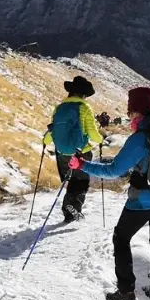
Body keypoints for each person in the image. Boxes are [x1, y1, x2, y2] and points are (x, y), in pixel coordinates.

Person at [67, 87, 150, 300]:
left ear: (135, 111)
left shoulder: (141, 137)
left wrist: (82, 165)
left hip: (142, 201)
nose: (129, 116)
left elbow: (114, 171)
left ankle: (126, 290)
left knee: (121, 238)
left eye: (130, 111)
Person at [43, 76, 103, 223]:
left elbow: (54, 130)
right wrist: (100, 140)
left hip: (62, 152)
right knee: (81, 180)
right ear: (83, 94)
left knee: (72, 180)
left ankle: (68, 210)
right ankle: (73, 207)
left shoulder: (60, 107)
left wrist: (46, 141)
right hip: (80, 152)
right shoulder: (84, 107)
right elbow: (93, 133)